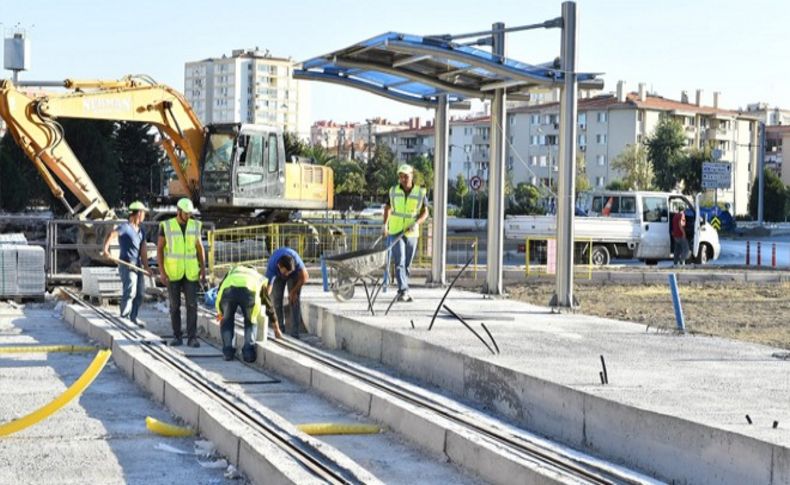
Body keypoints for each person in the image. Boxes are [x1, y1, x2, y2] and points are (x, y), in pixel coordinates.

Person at [157, 198, 206, 347]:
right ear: (179, 211)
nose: (189, 216)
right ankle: (177, 336)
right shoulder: (166, 226)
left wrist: (203, 268)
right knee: (174, 306)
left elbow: (199, 248)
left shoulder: (195, 225)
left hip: (190, 272)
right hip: (173, 272)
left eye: (190, 213)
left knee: (192, 305)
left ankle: (192, 337)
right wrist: (162, 272)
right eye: (186, 213)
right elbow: (160, 248)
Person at [216, 265, 282, 362]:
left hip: (228, 291)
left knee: (226, 322)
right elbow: (268, 304)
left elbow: (219, 293)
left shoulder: (232, 271)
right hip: (249, 293)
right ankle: (248, 354)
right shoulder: (258, 277)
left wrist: (220, 315)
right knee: (250, 321)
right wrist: (276, 328)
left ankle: (228, 353)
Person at [383, 164, 428, 302]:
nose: (403, 179)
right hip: (396, 231)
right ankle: (403, 290)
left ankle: (404, 288)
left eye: (406, 176)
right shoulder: (393, 191)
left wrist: (416, 223)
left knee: (407, 264)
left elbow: (425, 213)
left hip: (412, 233)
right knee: (400, 261)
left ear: (411, 176)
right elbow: (388, 208)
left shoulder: (420, 192)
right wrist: (385, 225)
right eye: (401, 176)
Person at [102, 201, 151, 327]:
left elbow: (143, 250)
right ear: (138, 213)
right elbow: (112, 234)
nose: (144, 215)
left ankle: (133, 317)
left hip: (137, 265)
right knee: (130, 291)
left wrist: (146, 267)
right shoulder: (125, 227)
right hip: (127, 265)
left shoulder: (141, 230)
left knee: (140, 293)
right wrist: (106, 249)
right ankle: (125, 317)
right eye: (143, 212)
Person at [265, 247, 308, 338]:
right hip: (278, 276)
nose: (287, 275)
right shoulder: (272, 266)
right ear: (279, 266)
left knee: (294, 301)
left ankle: (295, 333)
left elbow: (305, 277)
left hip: (295, 275)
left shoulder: (296, 261)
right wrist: (264, 301)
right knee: (276, 300)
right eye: (285, 272)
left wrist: (293, 291)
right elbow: (268, 288)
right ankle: (279, 329)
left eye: (289, 272)